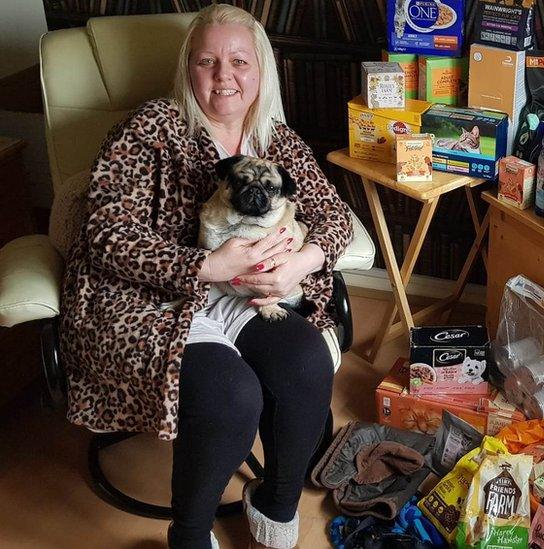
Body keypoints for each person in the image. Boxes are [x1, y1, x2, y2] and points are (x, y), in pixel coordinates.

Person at [58, 5, 352, 548]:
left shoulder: (277, 140)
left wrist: (300, 262)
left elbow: (336, 218)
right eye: (207, 61)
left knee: (306, 363)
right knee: (230, 395)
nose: (224, 76)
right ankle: (189, 535)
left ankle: (276, 506)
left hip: (248, 295)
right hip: (148, 300)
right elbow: (101, 231)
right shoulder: (151, 128)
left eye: (239, 61)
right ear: (187, 70)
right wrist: (204, 265)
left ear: (260, 69)